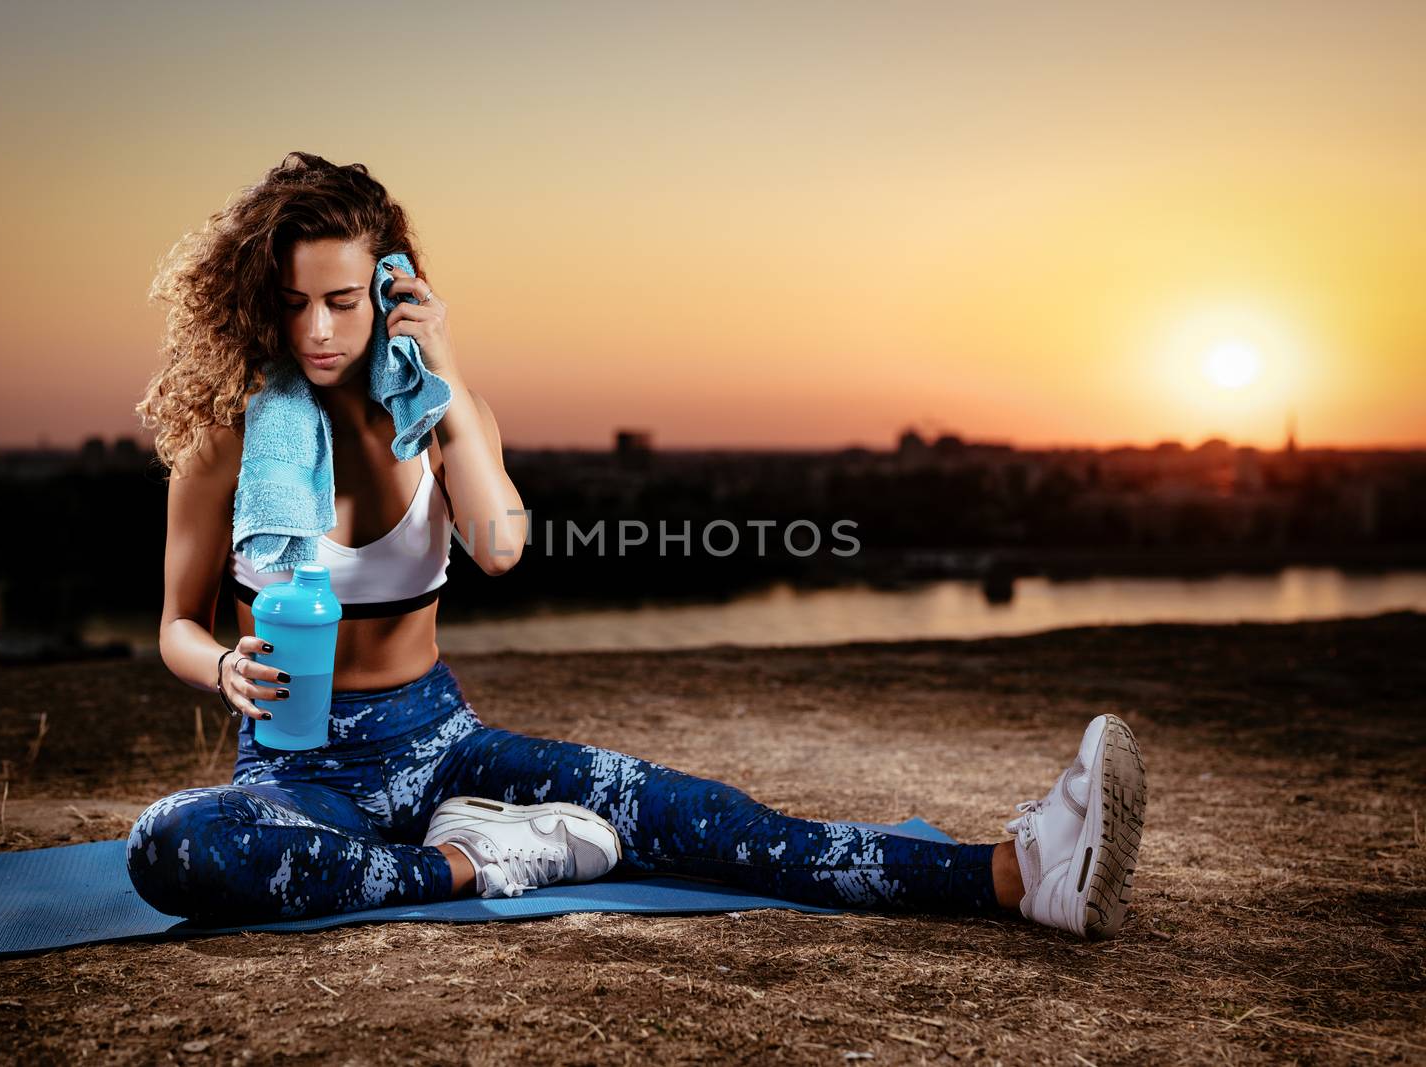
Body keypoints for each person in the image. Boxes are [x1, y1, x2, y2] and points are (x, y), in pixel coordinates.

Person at [127, 152, 1147, 939]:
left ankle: (1020, 873)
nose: (316, 329)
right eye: (294, 302)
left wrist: (442, 379)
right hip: (294, 769)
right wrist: (219, 663)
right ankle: (480, 863)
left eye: (342, 300)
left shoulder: (447, 414)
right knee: (175, 845)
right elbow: (175, 623)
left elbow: (499, 548)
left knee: (702, 817)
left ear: (388, 290)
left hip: (440, 743)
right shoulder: (224, 437)